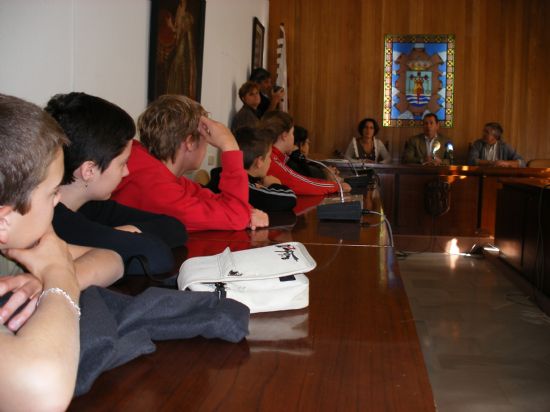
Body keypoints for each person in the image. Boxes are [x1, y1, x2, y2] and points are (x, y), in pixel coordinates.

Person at [45, 92, 187, 280]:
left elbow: (175, 227)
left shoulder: (89, 206)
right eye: (122, 163)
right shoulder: (56, 221)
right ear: (89, 170)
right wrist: (120, 237)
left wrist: (117, 235)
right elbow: (156, 255)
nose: (126, 171)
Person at [0, 94, 80, 410]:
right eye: (51, 192)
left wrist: (45, 280)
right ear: (4, 219)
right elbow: (42, 391)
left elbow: (111, 261)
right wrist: (61, 277)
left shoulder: (13, 245)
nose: (58, 200)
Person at [111, 94, 269, 231]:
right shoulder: (156, 188)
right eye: (205, 139)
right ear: (190, 142)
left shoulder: (162, 175)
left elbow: (214, 200)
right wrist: (230, 147)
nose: (207, 145)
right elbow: (235, 216)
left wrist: (248, 212)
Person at [260, 111, 352, 196]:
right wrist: (336, 187)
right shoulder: (272, 158)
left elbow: (301, 179)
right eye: (292, 134)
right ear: (284, 135)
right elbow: (299, 183)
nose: (293, 138)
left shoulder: (277, 157)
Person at [207, 127, 297, 212]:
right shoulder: (242, 187)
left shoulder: (223, 177)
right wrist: (274, 184)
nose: (270, 161)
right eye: (269, 157)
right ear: (259, 162)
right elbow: (290, 198)